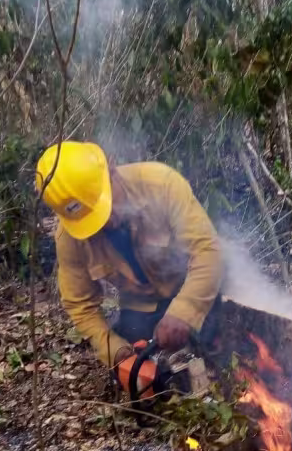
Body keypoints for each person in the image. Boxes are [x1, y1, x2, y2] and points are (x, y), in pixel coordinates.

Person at [35, 141, 223, 372]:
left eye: (106, 206)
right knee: (143, 377)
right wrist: (117, 353)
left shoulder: (161, 185)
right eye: (92, 220)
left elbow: (207, 251)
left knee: (226, 346)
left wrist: (185, 311)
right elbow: (80, 304)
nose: (106, 221)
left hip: (194, 287)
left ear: (111, 170)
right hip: (142, 309)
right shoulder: (70, 237)